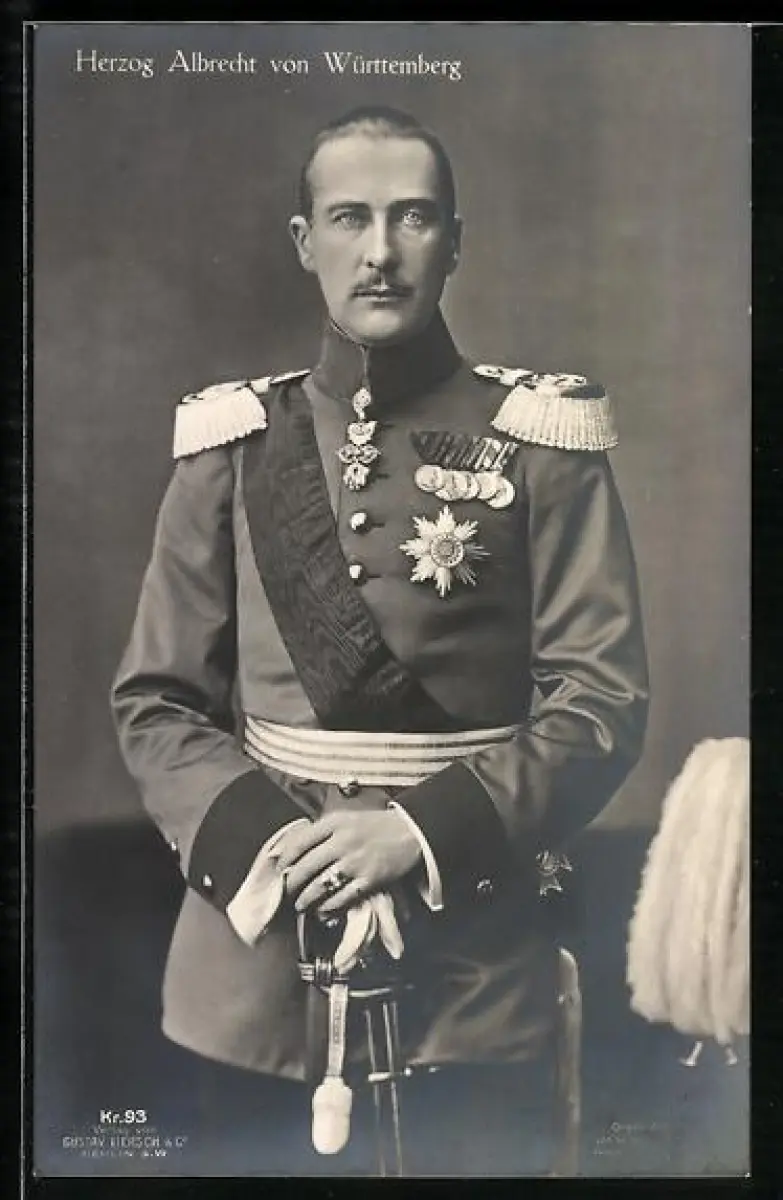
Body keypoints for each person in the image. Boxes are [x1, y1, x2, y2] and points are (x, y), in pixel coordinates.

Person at [111, 105, 649, 1177]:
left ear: (455, 241)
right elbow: (157, 703)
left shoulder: (540, 440)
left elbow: (600, 701)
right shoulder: (233, 445)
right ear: (304, 241)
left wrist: (416, 834)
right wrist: (286, 854)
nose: (381, 251)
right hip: (254, 956)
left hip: (476, 955)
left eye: (413, 217)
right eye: (349, 218)